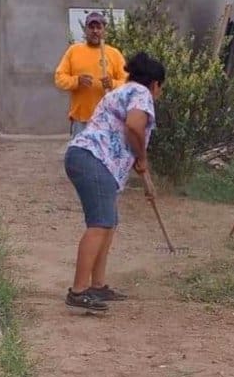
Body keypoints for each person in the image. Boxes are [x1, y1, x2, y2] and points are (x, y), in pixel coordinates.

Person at [63, 52, 166, 312]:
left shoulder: (121, 92)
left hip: (90, 158)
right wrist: (142, 157)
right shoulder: (141, 94)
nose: (159, 94)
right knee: (100, 224)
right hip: (94, 158)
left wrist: (146, 177)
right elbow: (134, 128)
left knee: (108, 223)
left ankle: (97, 285)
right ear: (155, 84)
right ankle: (78, 290)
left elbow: (131, 144)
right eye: (161, 88)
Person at [55, 11, 127, 137]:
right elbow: (59, 78)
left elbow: (127, 82)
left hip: (107, 119)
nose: (95, 31)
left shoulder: (114, 54)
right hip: (81, 120)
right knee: (80, 156)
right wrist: (77, 81)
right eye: (91, 27)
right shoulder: (74, 51)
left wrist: (113, 84)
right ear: (85, 30)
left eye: (99, 27)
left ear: (104, 30)